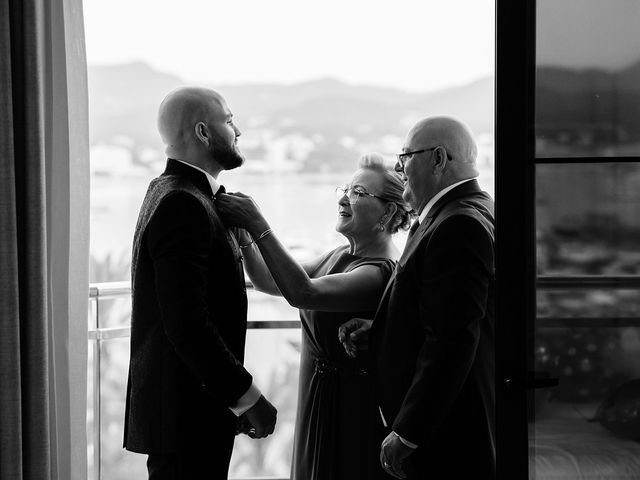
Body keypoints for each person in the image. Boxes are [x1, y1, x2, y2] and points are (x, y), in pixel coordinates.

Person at [215, 152, 412, 480]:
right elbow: (268, 280)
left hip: (350, 407)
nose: (345, 198)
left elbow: (303, 293)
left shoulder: (378, 271)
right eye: (346, 189)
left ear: (389, 211)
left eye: (359, 193)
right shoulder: (341, 254)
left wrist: (259, 224)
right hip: (317, 397)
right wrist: (246, 238)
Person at [123, 87, 277, 480]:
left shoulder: (171, 191)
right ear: (204, 133)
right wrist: (246, 397)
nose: (237, 130)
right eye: (229, 120)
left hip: (189, 410)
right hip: (185, 416)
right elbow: (187, 323)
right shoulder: (184, 203)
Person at [339, 117, 495, 479]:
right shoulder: (464, 209)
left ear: (438, 159)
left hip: (446, 430)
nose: (398, 167)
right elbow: (437, 307)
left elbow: (452, 339)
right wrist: (382, 328)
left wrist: (409, 431)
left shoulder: (459, 224)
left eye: (405, 156)